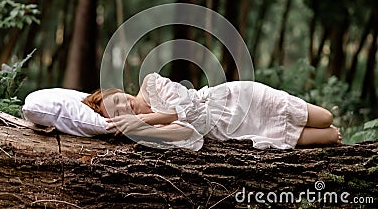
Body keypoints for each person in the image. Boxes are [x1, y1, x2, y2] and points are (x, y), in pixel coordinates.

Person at [83, 73, 342, 151]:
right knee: (329, 137)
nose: (124, 106)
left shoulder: (151, 84)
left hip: (238, 99)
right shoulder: (149, 132)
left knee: (326, 118)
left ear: (119, 90)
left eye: (118, 99)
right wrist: (143, 127)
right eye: (117, 111)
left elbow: (186, 109)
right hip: (233, 129)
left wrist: (142, 118)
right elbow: (190, 133)